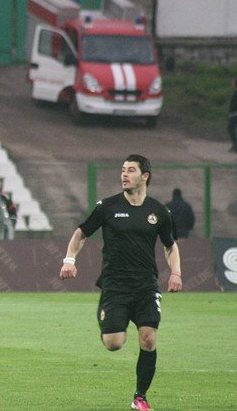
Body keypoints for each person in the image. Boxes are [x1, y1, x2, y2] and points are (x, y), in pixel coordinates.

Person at [59, 154, 182, 411]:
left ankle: (140, 397)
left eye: (131, 170)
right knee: (114, 343)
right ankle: (105, 311)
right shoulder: (108, 207)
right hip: (115, 286)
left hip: (146, 286)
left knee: (148, 339)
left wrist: (176, 273)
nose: (124, 174)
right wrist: (69, 259)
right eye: (123, 170)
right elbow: (81, 232)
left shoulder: (159, 211)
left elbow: (170, 246)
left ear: (144, 176)